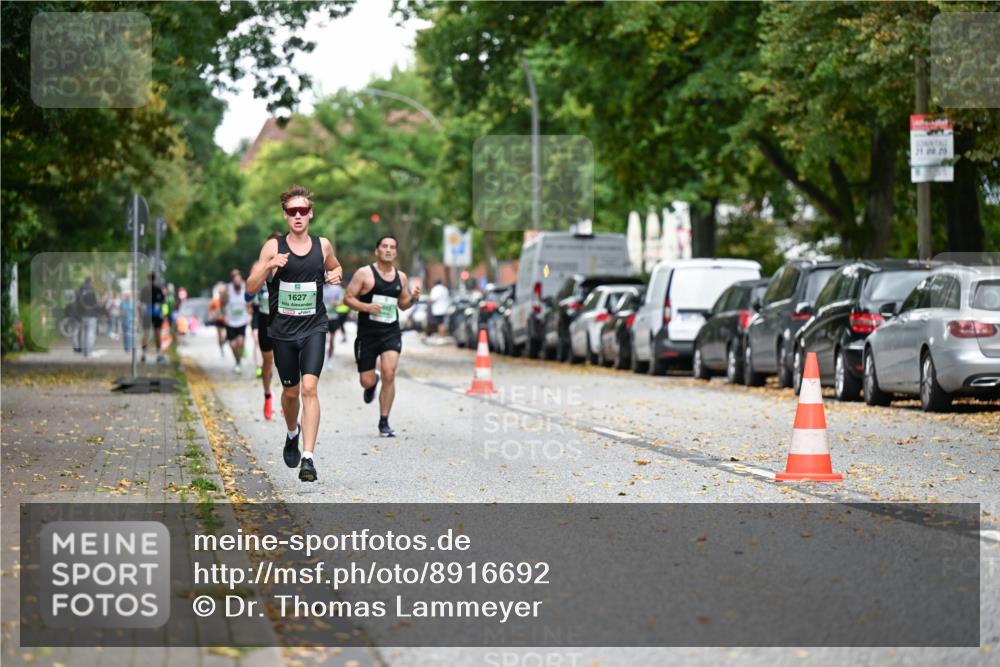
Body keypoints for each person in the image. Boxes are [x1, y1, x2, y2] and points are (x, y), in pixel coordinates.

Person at [246, 185, 342, 482]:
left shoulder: (322, 245)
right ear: (285, 215)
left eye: (303, 211)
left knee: (309, 388)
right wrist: (269, 266)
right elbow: (250, 288)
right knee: (289, 392)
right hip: (283, 331)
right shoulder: (274, 247)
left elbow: (335, 269)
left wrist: (336, 275)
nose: (298, 216)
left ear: (310, 214)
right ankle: (292, 433)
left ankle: (309, 458)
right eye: (292, 211)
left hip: (314, 326)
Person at [344, 235, 419, 437]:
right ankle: (371, 385)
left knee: (390, 372)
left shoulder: (401, 277)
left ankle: (384, 421)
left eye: (392, 247)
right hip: (367, 334)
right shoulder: (364, 274)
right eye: (384, 246)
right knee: (366, 381)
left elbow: (403, 305)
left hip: (390, 332)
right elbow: (348, 298)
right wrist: (366, 306)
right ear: (377, 251)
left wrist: (413, 299)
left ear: (395, 252)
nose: (388, 250)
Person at [246, 245, 279, 420]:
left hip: (285, 322)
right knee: (268, 361)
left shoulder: (288, 269)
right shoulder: (260, 270)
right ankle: (267, 396)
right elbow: (247, 296)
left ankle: (288, 397)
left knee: (288, 361)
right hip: (265, 321)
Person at [220, 269, 250, 373]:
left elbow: (248, 302)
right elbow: (222, 304)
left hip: (241, 321)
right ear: (232, 281)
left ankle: (239, 361)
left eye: (239, 279)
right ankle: (237, 360)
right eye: (235, 279)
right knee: (233, 345)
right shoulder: (227, 290)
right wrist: (224, 315)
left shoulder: (244, 287)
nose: (237, 281)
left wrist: (249, 314)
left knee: (240, 343)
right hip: (231, 322)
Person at [140, 273, 165, 364]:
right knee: (157, 333)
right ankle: (159, 354)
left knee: (146, 333)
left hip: (147, 313)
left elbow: (141, 304)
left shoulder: (144, 290)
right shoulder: (158, 289)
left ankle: (143, 354)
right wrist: (164, 314)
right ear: (154, 279)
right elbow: (163, 303)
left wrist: (140, 315)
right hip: (156, 314)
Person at [77, 277, 100, 357]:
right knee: (90, 333)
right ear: (91, 281)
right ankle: (89, 351)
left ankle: (84, 352)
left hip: (83, 314)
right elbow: (95, 303)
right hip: (91, 314)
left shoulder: (80, 290)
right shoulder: (92, 290)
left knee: (84, 333)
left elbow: (78, 302)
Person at [323, 282, 346, 360]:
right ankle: (321, 358)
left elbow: (343, 301)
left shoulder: (337, 288)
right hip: (320, 319)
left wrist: (336, 303)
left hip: (333, 317)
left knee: (332, 340)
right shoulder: (317, 286)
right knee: (320, 340)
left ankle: (329, 358)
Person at [207, 284, 226, 357]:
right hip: (218, 320)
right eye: (220, 292)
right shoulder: (215, 301)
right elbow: (210, 309)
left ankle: (224, 341)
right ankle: (221, 349)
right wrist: (209, 317)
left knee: (225, 335)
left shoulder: (226, 300)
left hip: (225, 320)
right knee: (220, 335)